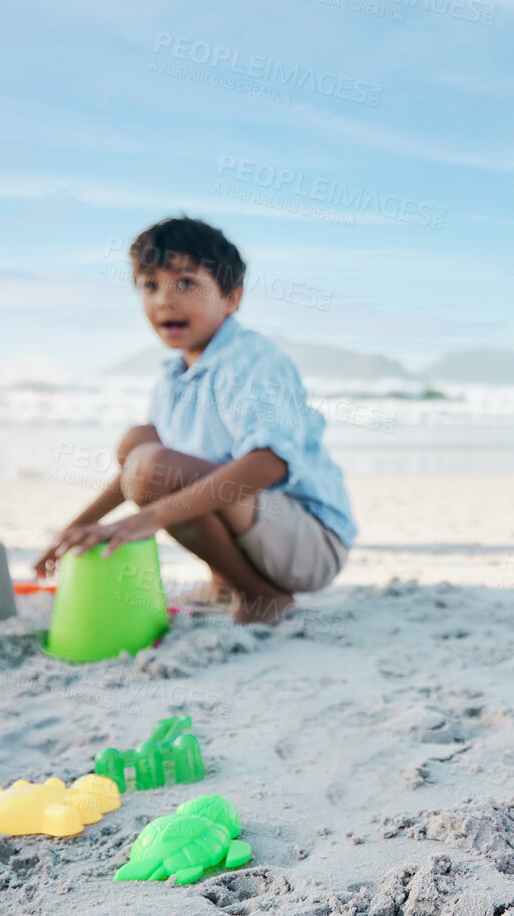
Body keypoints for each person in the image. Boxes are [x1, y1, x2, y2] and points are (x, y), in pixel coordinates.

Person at [33, 217, 355, 625]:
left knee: (153, 466)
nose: (164, 300)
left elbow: (269, 463)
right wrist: (73, 530)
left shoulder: (250, 359)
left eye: (185, 283)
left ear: (232, 297)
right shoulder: (173, 377)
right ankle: (226, 583)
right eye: (150, 285)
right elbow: (132, 476)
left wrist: (145, 520)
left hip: (309, 542)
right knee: (139, 443)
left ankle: (262, 596)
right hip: (258, 530)